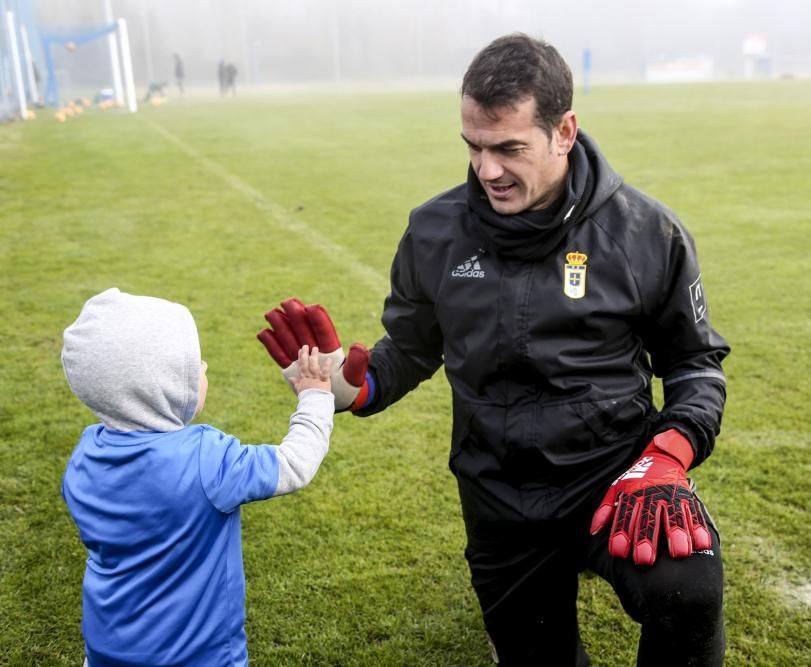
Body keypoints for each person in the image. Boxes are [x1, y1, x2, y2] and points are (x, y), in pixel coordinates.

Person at [276, 33, 730, 665]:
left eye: (509, 147)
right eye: (474, 146)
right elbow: (406, 350)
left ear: (565, 131)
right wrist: (343, 386)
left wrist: (667, 458)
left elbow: (693, 363)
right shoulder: (434, 232)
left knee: (689, 594)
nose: (487, 169)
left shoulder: (645, 234)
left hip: (616, 478)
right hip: (499, 494)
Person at [62, 289, 336, 666]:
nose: (204, 367)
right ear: (162, 387)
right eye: (192, 366)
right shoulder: (205, 458)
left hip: (107, 648)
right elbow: (294, 464)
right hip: (198, 656)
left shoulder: (85, 454)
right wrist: (317, 396)